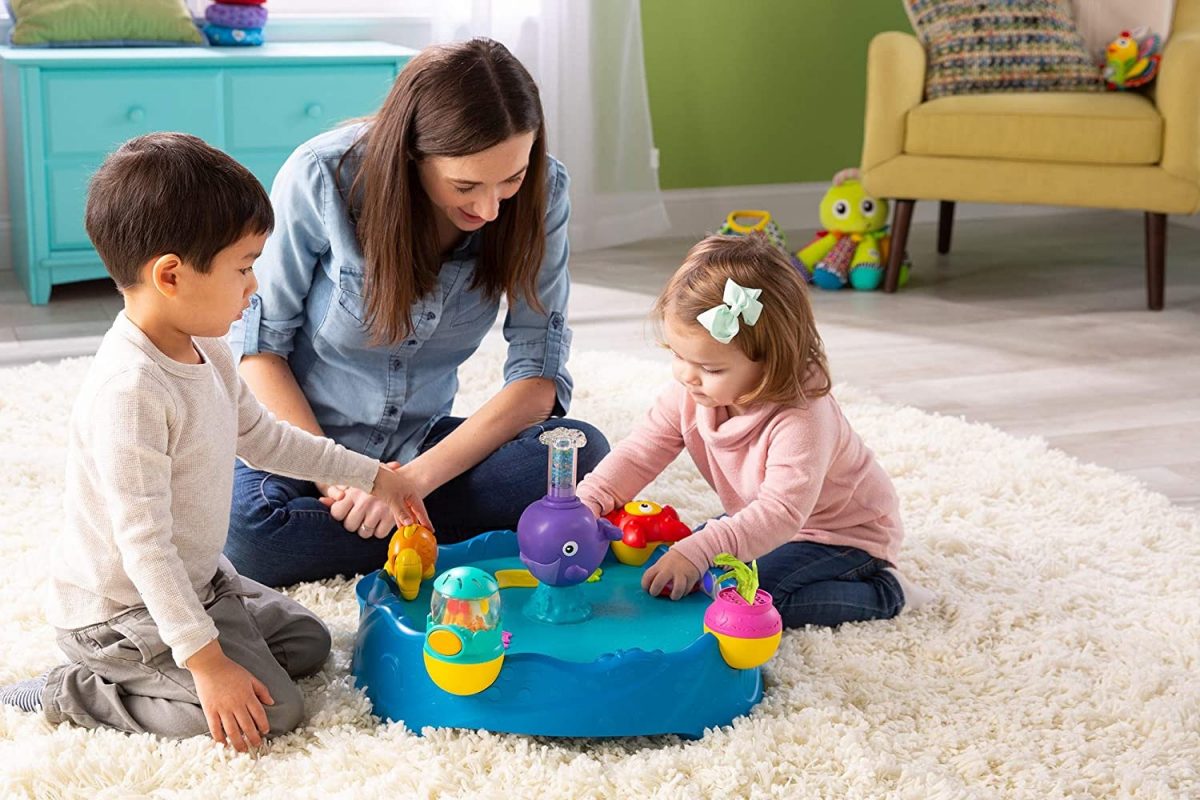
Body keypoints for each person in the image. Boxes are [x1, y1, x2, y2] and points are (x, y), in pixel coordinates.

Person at [0, 133, 429, 752]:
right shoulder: (131, 391)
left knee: (308, 642)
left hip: (198, 582)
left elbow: (264, 438)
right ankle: (70, 691)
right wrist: (206, 663)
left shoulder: (209, 348)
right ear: (171, 275)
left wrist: (373, 475)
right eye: (243, 267)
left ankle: (204, 640)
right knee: (272, 714)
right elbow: (144, 546)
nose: (254, 287)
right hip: (121, 614)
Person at [225, 38, 609, 587]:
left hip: (420, 452)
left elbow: (537, 376)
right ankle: (443, 534)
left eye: (511, 179)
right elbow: (258, 351)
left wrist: (410, 484)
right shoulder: (322, 176)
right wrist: (343, 478)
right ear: (412, 155)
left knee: (580, 453)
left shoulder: (545, 192)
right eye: (465, 185)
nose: (490, 208)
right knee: (251, 534)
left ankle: (395, 527)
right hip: (299, 446)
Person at [576, 234, 933, 627]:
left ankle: (889, 592)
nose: (687, 376)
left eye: (710, 368)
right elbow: (640, 451)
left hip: (842, 534)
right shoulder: (691, 392)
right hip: (767, 517)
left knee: (751, 598)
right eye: (678, 355)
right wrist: (589, 500)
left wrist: (703, 548)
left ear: (771, 361)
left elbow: (781, 512)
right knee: (686, 559)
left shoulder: (803, 416)